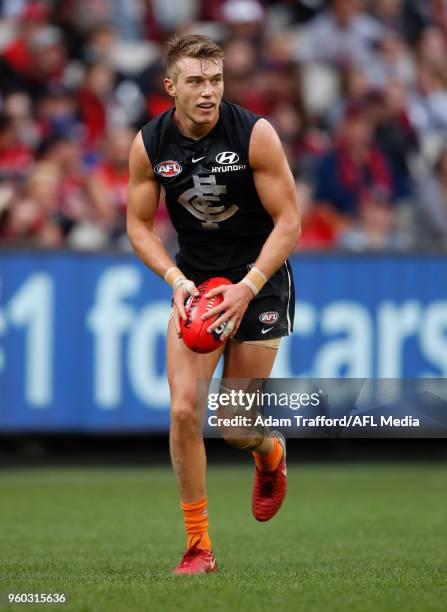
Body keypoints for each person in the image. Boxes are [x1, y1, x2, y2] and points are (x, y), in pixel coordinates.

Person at [127, 34, 301, 575]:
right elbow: (137, 224)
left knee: (234, 427)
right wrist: (176, 280)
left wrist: (247, 286)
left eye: (216, 80)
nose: (209, 92)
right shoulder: (151, 144)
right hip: (197, 287)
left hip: (258, 283)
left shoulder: (255, 134)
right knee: (182, 410)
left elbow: (290, 221)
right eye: (197, 81)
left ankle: (269, 452)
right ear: (170, 86)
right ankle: (199, 548)